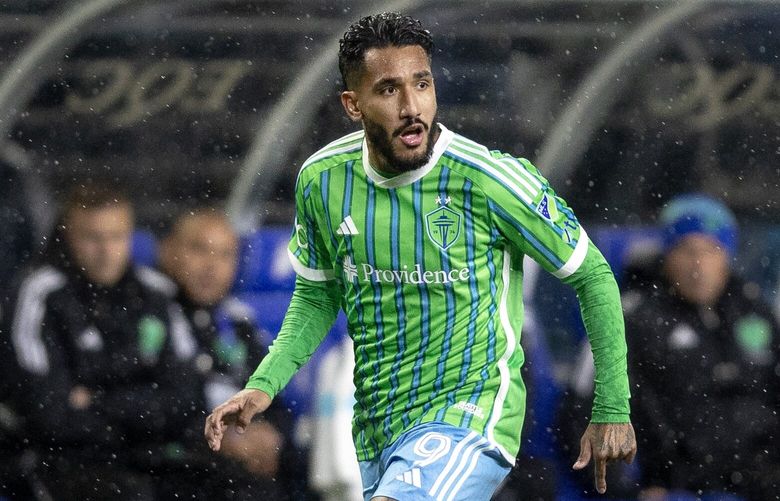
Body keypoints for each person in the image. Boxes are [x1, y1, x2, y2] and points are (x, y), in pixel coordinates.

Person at [205, 12, 636, 501]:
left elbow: (593, 275)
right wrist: (262, 386)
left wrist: (612, 406)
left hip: (470, 416)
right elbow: (317, 296)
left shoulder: (488, 178)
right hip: (377, 428)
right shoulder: (322, 180)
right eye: (388, 90)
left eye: (422, 84)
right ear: (353, 104)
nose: (412, 106)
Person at [1, 181, 200, 500]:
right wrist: (141, 405)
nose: (106, 251)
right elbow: (48, 415)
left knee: (244, 489)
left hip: (150, 456)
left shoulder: (155, 294)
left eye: (117, 237)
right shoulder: (39, 294)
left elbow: (187, 400)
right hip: (63, 463)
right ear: (68, 236)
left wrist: (96, 400)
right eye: (92, 238)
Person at [619, 194, 780, 500]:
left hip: (759, 472)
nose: (699, 264)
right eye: (687, 251)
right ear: (667, 256)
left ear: (727, 257)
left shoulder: (753, 309)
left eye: (711, 251)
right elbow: (591, 412)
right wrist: (630, 488)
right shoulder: (638, 321)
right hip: (679, 477)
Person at [156, 208, 296, 500]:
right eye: (199, 249)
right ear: (168, 251)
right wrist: (221, 437)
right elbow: (156, 406)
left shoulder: (240, 323)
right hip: (176, 465)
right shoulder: (150, 316)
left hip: (239, 467)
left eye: (224, 255)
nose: (212, 266)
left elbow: (276, 400)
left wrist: (271, 437)